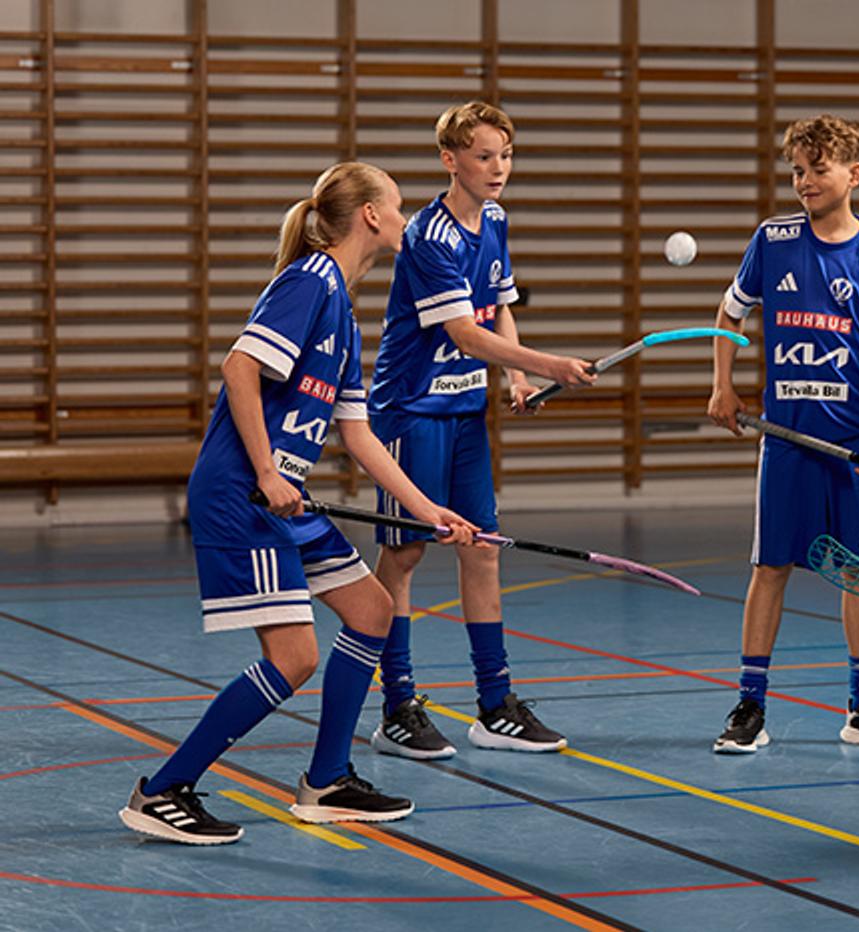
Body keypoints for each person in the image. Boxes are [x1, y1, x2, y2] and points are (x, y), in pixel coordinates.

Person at [119, 163, 479, 845]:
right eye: (396, 208)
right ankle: (163, 789)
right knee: (295, 656)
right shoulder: (309, 280)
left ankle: (326, 780)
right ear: (370, 216)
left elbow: (359, 435)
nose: (404, 221)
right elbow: (239, 368)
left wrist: (428, 509)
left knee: (371, 609)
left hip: (285, 501)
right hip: (242, 493)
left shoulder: (342, 308)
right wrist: (266, 467)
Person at [367, 101, 594, 760]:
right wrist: (548, 364)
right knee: (406, 556)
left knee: (483, 548)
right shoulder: (428, 238)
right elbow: (461, 332)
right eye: (485, 156)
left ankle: (495, 704)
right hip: (412, 409)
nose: (498, 169)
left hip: (466, 408)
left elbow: (496, 310)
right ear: (451, 160)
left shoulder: (494, 220)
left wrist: (516, 381)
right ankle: (397, 706)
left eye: (506, 155)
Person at [706, 114, 859, 754]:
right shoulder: (772, 240)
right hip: (787, 442)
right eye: (797, 170)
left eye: (817, 169)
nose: (804, 181)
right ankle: (749, 704)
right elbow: (730, 311)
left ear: (853, 174)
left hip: (853, 447)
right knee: (771, 566)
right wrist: (723, 383)